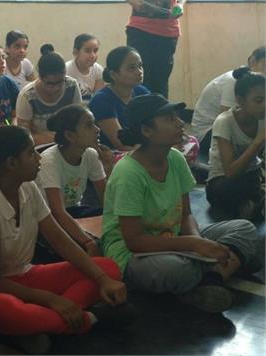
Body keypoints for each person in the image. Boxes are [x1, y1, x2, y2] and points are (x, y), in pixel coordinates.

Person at [0, 126, 127, 353]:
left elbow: (58, 238)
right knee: (2, 309)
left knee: (108, 268)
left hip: (23, 276)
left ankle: (44, 322)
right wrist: (51, 299)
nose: (38, 158)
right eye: (31, 153)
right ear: (11, 163)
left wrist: (101, 278)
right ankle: (86, 319)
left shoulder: (28, 187)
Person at [101, 94, 258, 313]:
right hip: (133, 254)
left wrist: (196, 240)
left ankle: (208, 281)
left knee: (245, 229)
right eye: (169, 119)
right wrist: (193, 245)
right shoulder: (129, 173)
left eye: (176, 117)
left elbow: (185, 214)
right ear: (146, 131)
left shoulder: (175, 158)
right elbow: (134, 241)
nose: (179, 122)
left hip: (173, 238)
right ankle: (218, 270)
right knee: (173, 269)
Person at [36, 105, 112, 260]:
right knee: (92, 246)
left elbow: (107, 199)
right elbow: (57, 212)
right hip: (48, 220)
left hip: (75, 212)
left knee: (113, 234)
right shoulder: (50, 161)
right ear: (70, 135)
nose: (97, 130)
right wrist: (88, 241)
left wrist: (109, 169)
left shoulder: (90, 154)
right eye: (88, 125)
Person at [206, 69, 265, 221]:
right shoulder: (224, 122)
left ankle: (251, 205)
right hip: (223, 181)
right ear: (240, 100)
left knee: (253, 182)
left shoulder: (263, 117)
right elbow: (231, 172)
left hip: (252, 176)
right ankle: (252, 204)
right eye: (258, 101)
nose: (264, 105)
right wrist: (258, 142)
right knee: (228, 189)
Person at [190, 46, 266, 154]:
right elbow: (227, 119)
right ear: (252, 61)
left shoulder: (258, 83)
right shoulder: (234, 81)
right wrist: (257, 142)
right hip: (207, 133)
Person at [16, 46, 82, 145]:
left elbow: (80, 118)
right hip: (40, 146)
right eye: (50, 84)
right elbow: (23, 136)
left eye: (60, 82)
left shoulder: (71, 85)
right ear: (40, 77)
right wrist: (40, 138)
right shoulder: (27, 96)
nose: (56, 88)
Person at [89, 46, 149, 151]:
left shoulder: (142, 92)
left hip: (141, 148)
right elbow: (122, 144)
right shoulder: (102, 100)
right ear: (113, 74)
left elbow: (158, 123)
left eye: (140, 66)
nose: (139, 71)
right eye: (131, 68)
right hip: (113, 154)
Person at [65, 34, 105, 101]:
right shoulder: (66, 70)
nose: (93, 55)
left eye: (95, 51)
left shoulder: (98, 70)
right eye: (87, 51)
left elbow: (97, 99)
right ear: (76, 52)